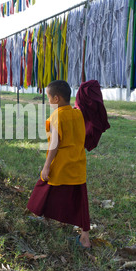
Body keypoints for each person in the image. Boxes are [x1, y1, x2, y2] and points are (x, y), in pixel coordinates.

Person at [27, 80, 92, 249]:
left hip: (61, 164)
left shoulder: (56, 116)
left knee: (44, 188)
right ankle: (85, 236)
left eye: (49, 98)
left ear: (56, 98)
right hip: (78, 163)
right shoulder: (78, 114)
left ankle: (41, 215)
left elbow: (54, 143)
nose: (49, 102)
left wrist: (47, 165)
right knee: (79, 199)